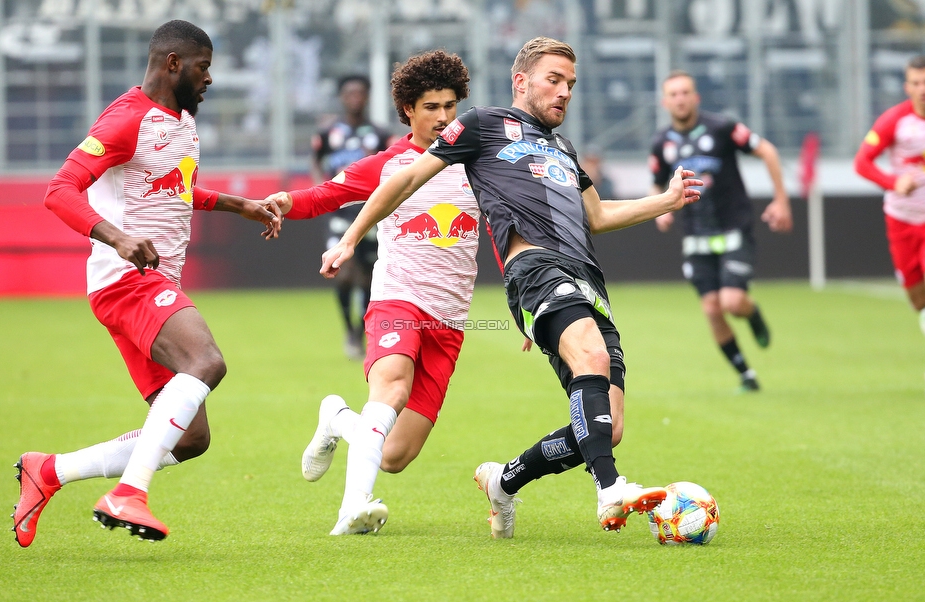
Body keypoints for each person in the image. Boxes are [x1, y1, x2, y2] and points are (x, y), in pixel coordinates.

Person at [320, 37, 702, 538]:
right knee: (592, 358)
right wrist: (350, 238)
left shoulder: (562, 148)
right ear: (521, 81)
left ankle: (505, 480)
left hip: (585, 276)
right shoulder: (480, 125)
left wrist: (667, 201)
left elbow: (599, 214)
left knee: (609, 424)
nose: (564, 91)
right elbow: (407, 178)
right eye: (554, 79)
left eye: (571, 83)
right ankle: (611, 490)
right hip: (536, 269)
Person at [11, 20, 281, 547]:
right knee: (207, 362)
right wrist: (117, 237)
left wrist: (237, 204)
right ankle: (129, 493)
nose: (209, 79)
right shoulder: (126, 119)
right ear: (173, 63)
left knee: (191, 438)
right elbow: (60, 190)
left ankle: (48, 471)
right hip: (127, 281)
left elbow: (172, 187)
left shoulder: (179, 121)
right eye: (203, 68)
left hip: (148, 283)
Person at [266, 51, 477, 535]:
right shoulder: (388, 165)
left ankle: (337, 418)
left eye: (450, 106)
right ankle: (353, 508)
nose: (443, 117)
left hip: (449, 319)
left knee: (396, 456)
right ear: (407, 109)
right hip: (397, 297)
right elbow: (326, 194)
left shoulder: (475, 164)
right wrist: (285, 202)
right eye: (431, 107)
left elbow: (502, 231)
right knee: (392, 385)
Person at [651, 70, 792, 393]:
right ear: (665, 102)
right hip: (694, 235)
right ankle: (746, 374)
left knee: (732, 302)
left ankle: (752, 312)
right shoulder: (661, 143)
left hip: (733, 228)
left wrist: (781, 200)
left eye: (685, 92)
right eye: (673, 94)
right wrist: (659, 209)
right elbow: (655, 180)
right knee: (711, 308)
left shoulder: (722, 128)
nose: (680, 99)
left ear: (696, 97)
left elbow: (766, 150)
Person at [855, 54, 925, 396]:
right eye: (916, 83)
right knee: (918, 299)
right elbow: (862, 162)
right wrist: (892, 182)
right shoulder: (894, 121)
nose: (923, 89)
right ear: (907, 87)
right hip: (901, 220)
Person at [312, 75, 395, 358]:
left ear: (368, 96)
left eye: (360, 93)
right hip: (339, 214)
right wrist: (321, 193)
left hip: (372, 214)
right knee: (343, 275)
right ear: (342, 97)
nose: (355, 98)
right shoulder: (328, 134)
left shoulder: (381, 135)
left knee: (370, 279)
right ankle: (349, 329)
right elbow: (316, 161)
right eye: (350, 93)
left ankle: (360, 333)